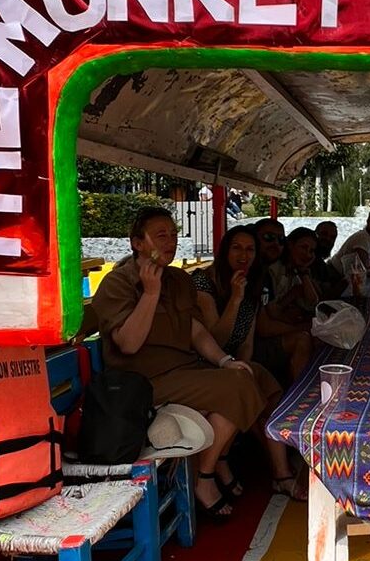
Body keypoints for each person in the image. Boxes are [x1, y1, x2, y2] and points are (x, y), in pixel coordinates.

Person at [92, 207, 267, 519]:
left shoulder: (178, 279)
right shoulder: (118, 284)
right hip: (143, 382)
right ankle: (205, 477)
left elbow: (195, 331)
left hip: (184, 371)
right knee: (238, 386)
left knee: (245, 374)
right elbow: (129, 344)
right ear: (138, 243)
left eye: (174, 234)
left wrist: (225, 360)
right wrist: (150, 293)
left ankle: (216, 463)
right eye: (161, 235)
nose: (171, 241)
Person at [190, 226, 307, 499]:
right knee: (248, 388)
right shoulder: (203, 282)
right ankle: (225, 464)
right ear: (225, 251)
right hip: (205, 364)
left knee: (271, 395)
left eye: (250, 249)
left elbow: (247, 342)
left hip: (234, 364)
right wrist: (234, 299)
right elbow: (213, 339)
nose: (244, 255)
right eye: (237, 248)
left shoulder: (254, 281)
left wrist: (245, 367)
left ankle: (279, 474)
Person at [253, 218, 314, 386]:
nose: (275, 244)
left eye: (280, 240)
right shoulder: (264, 272)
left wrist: (303, 273)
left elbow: (312, 302)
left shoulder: (263, 273)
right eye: (268, 237)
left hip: (251, 342)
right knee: (304, 337)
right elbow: (264, 326)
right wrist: (302, 326)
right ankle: (298, 397)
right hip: (245, 347)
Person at [331, 207, 370, 276]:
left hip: (346, 276)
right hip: (334, 275)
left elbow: (367, 269)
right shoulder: (362, 238)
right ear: (368, 222)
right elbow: (361, 270)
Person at [311, 220, 347, 298]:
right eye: (324, 234)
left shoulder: (320, 263)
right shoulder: (307, 261)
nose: (328, 239)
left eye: (332, 237)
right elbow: (321, 298)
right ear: (314, 234)